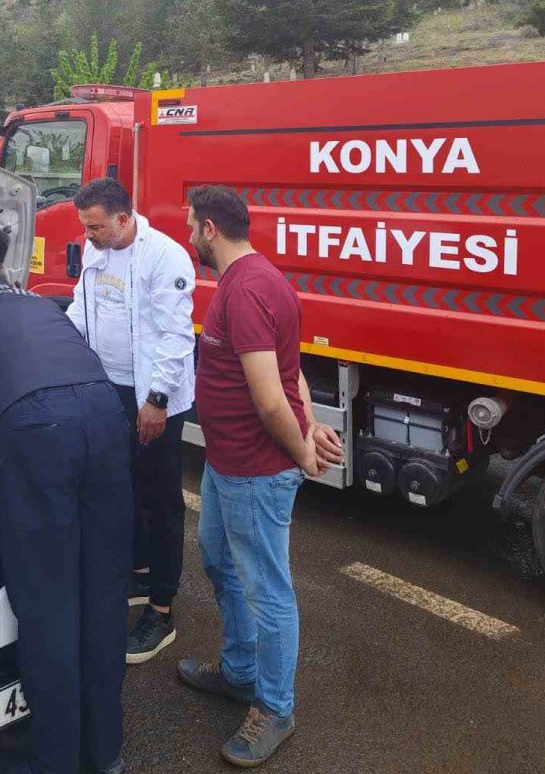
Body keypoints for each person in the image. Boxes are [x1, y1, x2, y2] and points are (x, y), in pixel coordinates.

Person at [0, 259, 132, 774]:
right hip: (104, 418)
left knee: (48, 600)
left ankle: (53, 760)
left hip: (38, 431)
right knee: (103, 592)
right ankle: (105, 753)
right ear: (6, 281)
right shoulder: (43, 303)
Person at [177, 186, 343, 769]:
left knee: (268, 591)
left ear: (211, 230)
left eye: (191, 224)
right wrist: (314, 423)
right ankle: (241, 671)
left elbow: (271, 399)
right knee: (218, 558)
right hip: (226, 464)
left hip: (254, 469)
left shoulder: (247, 289)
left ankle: (274, 708)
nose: (189, 233)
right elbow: (292, 372)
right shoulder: (257, 278)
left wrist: (299, 451)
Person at [66, 177, 196, 663]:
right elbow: (84, 308)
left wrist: (157, 400)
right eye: (86, 227)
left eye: (96, 226)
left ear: (123, 217)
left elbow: (176, 336)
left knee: (162, 500)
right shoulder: (96, 250)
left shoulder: (165, 257)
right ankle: (138, 571)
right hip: (109, 389)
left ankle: (161, 610)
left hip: (151, 396)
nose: (89, 235)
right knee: (124, 486)